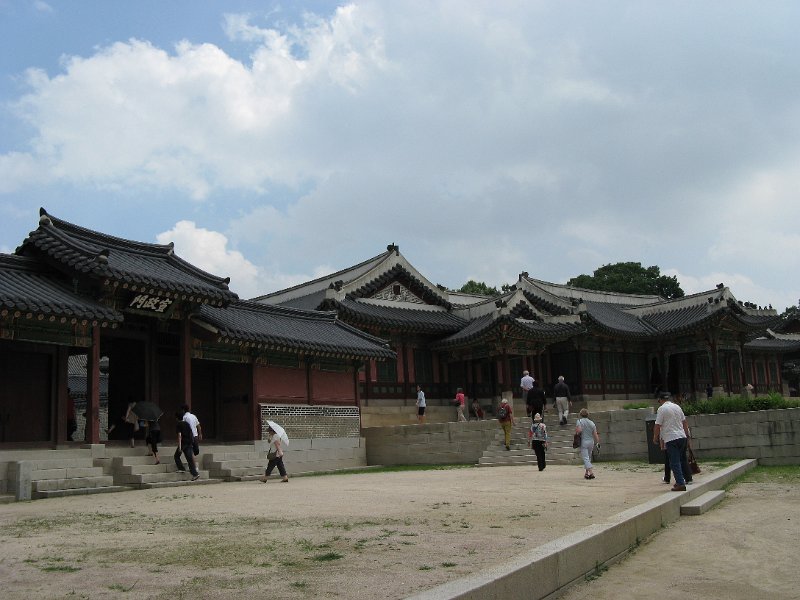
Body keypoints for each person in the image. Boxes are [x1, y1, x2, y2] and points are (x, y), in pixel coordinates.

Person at [653, 392, 690, 492]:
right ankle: (685, 478)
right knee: (682, 459)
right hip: (682, 436)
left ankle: (680, 483)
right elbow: (684, 421)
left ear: (660, 400)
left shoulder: (662, 409)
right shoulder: (677, 407)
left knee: (674, 462)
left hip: (671, 437)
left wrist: (655, 437)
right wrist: (687, 435)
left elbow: (657, 425)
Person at [174, 410, 200, 481]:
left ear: (176, 418)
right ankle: (195, 474)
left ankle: (181, 468)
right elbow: (190, 433)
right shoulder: (186, 423)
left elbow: (179, 435)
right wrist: (192, 442)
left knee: (176, 456)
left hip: (183, 443)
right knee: (189, 459)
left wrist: (179, 446)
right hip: (189, 442)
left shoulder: (179, 424)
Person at [575, 408, 600, 479]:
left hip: (584, 441)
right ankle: (586, 473)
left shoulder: (579, 421)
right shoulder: (592, 423)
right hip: (591, 441)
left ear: (580, 414)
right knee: (588, 457)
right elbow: (595, 434)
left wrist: (577, 432)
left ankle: (591, 473)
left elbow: (579, 430)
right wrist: (598, 442)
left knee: (586, 458)